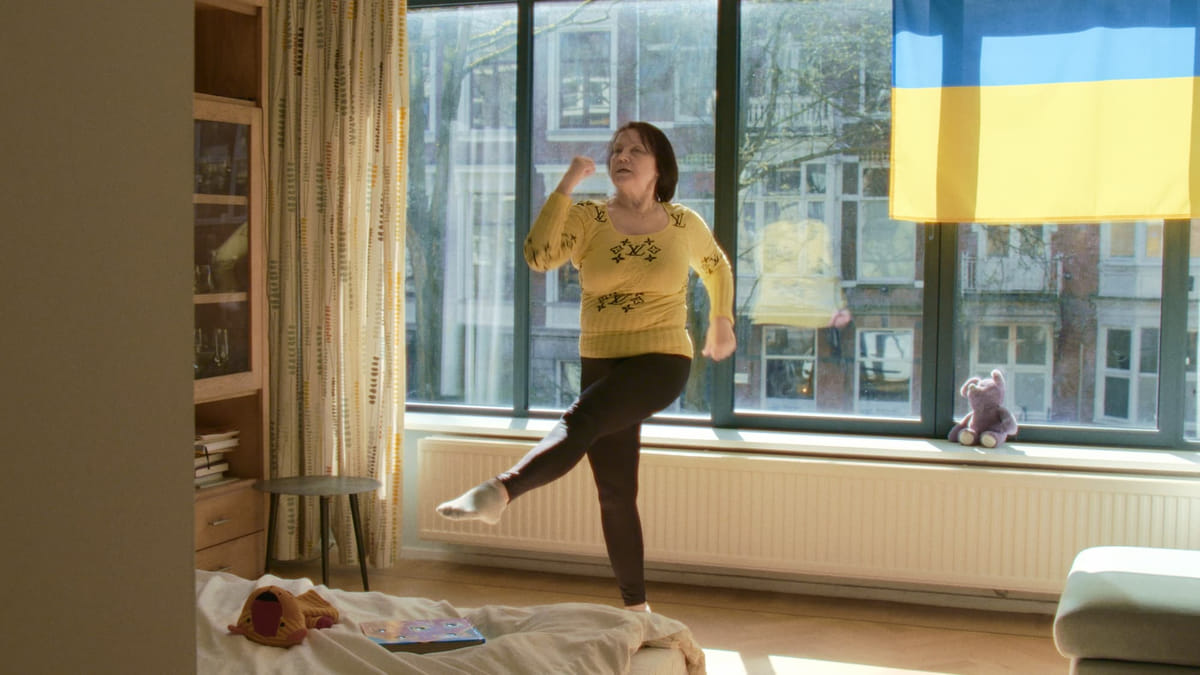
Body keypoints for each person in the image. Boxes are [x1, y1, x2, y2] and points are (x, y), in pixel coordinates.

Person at [436, 121, 736, 612]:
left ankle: (501, 490)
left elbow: (716, 266)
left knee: (583, 419)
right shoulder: (588, 216)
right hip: (601, 358)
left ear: (659, 166)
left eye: (635, 150)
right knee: (615, 492)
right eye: (616, 149)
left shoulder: (683, 222)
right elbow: (538, 256)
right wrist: (567, 183)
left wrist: (721, 320)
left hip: (662, 357)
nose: (622, 156)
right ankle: (637, 610)